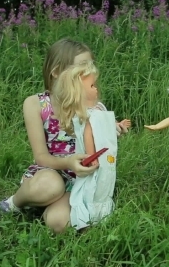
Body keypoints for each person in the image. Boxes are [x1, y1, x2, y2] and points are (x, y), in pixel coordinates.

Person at [0, 38, 130, 234]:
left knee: (59, 223)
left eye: (90, 67)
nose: (87, 74)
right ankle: (13, 204)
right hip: (49, 172)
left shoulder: (90, 105)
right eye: (81, 67)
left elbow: (97, 139)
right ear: (56, 72)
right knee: (50, 187)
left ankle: (51, 206)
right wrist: (69, 162)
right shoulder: (35, 104)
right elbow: (41, 157)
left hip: (79, 179)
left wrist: (111, 133)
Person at [51, 60, 119, 231]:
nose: (96, 89)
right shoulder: (88, 118)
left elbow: (107, 129)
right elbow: (89, 136)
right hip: (97, 160)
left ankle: (100, 219)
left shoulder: (97, 111)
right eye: (92, 85)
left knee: (104, 185)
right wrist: (91, 156)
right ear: (78, 92)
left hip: (104, 159)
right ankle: (89, 221)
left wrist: (120, 127)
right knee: (95, 190)